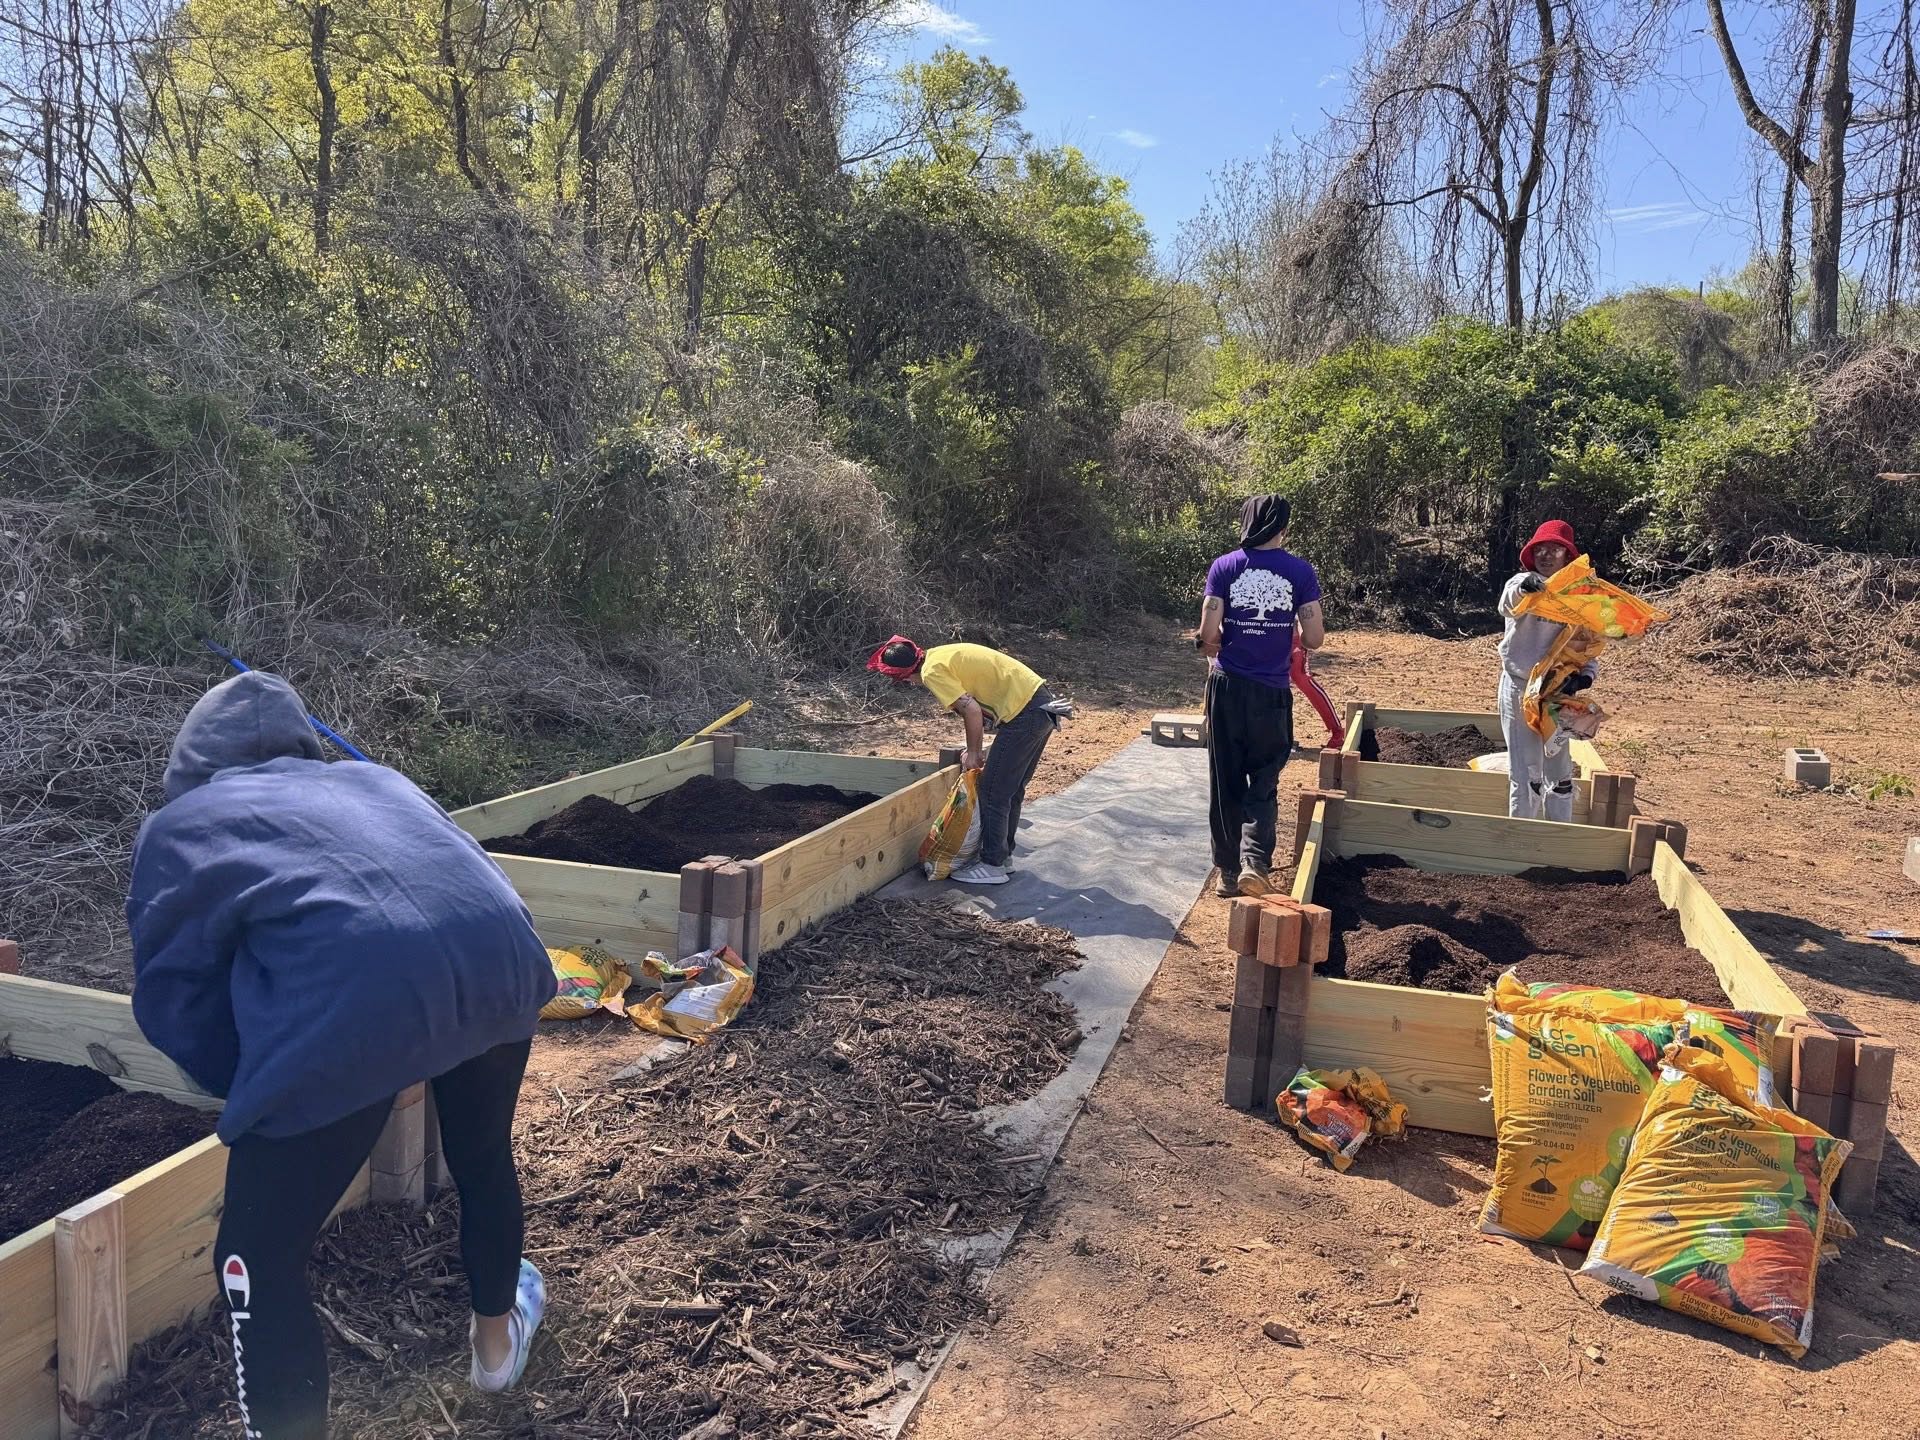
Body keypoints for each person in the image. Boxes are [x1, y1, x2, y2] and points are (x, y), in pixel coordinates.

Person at [127, 671, 557, 1439]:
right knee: (483, 1154)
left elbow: (176, 994)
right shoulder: (376, 779)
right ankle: (496, 1350)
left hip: (360, 994)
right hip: (505, 957)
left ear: (188, 768)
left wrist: (247, 1086)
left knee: (253, 1258)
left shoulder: (185, 823)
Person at [1198, 495, 1326, 898]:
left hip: (1227, 689)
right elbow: (1315, 638)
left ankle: (1228, 873)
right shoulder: (1300, 572)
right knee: (1265, 778)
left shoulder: (1225, 566)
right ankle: (1256, 862)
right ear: (1284, 527)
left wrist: (1218, 643)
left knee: (1225, 779)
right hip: (1271, 693)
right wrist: (1292, 637)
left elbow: (1207, 635)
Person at [867, 636, 1070, 885]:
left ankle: (992, 865)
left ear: (906, 676)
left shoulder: (931, 672)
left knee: (992, 791)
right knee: (1010, 789)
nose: (910, 684)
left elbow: (971, 710)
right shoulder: (938, 654)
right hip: (1041, 704)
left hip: (1024, 714)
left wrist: (973, 753)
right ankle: (1003, 858)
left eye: (904, 680)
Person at [1497, 518, 1592, 821]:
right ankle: (1523, 842)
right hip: (1519, 686)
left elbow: (1588, 641)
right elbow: (1507, 603)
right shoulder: (1521, 584)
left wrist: (1585, 676)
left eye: (1555, 549)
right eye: (1541, 549)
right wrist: (1526, 588)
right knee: (1526, 771)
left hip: (1555, 693)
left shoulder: (1579, 597)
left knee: (1559, 771)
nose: (1547, 555)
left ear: (1567, 556)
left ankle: (1558, 841)